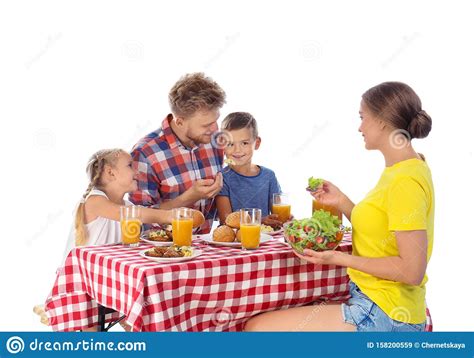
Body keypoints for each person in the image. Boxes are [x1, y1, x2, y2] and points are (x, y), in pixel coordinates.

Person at [245, 82, 434, 332]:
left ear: (381, 121)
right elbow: (382, 227)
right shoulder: (405, 169)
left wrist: (338, 258)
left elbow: (412, 271)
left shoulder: (404, 181)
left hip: (386, 313)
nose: (360, 127)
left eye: (362, 117)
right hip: (374, 301)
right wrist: (342, 201)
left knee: (257, 329)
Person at [130, 73, 227, 233]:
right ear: (179, 121)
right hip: (163, 252)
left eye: (216, 120)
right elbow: (138, 219)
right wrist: (189, 197)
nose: (215, 128)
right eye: (206, 125)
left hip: (206, 249)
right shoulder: (145, 153)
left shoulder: (215, 141)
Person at [216, 112, 283, 227]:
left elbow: (278, 215)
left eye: (244, 143)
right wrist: (260, 221)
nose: (237, 150)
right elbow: (226, 220)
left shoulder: (269, 176)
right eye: (230, 144)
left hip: (265, 239)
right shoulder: (222, 178)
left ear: (256, 143)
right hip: (235, 241)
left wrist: (284, 218)